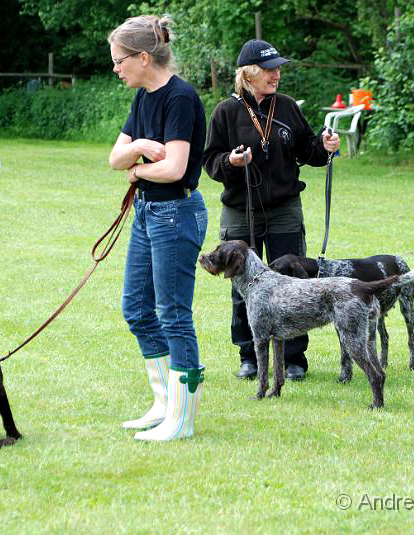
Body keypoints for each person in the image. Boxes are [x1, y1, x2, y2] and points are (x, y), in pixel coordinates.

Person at [203, 39, 340, 382]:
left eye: (278, 69)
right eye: (269, 69)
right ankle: (249, 355)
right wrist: (231, 162)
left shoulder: (288, 107)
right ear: (249, 75)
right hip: (240, 210)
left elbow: (308, 150)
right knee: (242, 287)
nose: (276, 75)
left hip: (284, 209)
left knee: (295, 286)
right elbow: (210, 162)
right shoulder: (225, 112)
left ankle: (294, 359)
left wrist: (324, 146)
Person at [107, 15, 208, 441]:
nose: (116, 68)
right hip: (149, 213)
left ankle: (181, 420)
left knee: (173, 315)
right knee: (137, 309)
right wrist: (142, 150)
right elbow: (115, 158)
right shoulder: (142, 97)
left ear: (143, 57)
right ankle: (165, 404)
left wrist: (137, 170)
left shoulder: (180, 98)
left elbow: (176, 168)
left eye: (119, 60)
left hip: (176, 214)